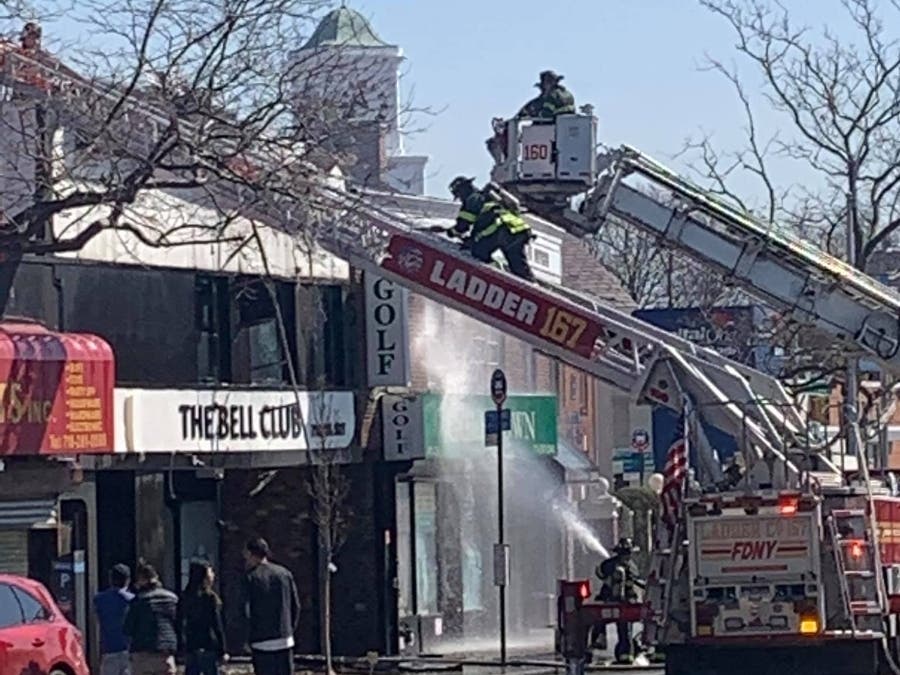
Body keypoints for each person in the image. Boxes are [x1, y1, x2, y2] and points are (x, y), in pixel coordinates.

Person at [447, 176, 536, 282]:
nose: (460, 198)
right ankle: (531, 284)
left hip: (502, 232)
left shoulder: (472, 200)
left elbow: (462, 226)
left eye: (459, 195)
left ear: (462, 190)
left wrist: (451, 232)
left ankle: (496, 275)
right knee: (518, 267)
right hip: (516, 230)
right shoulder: (487, 197)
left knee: (479, 252)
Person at [242, 537, 301, 675]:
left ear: (252, 554)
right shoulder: (284, 574)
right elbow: (296, 605)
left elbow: (246, 611)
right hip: (284, 638)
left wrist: (246, 638)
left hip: (260, 641)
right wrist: (289, 629)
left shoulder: (250, 578)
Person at [124, 560, 179, 675]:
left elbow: (127, 628)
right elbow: (179, 624)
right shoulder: (172, 599)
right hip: (166, 653)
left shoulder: (138, 601)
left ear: (141, 580)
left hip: (142, 653)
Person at [596, 538, 644, 664]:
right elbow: (634, 583)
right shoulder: (631, 566)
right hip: (624, 603)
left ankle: (599, 642)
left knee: (600, 622)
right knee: (625, 629)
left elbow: (599, 573)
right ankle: (625, 654)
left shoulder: (609, 564)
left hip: (609, 601)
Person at [180, 560, 226, 675]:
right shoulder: (210, 597)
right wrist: (223, 649)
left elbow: (180, 622)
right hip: (209, 645)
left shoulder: (185, 596)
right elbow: (216, 624)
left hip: (191, 646)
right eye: (210, 572)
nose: (213, 575)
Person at [94, 563, 135, 675]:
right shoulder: (133, 600)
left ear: (110, 579)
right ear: (128, 580)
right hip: (130, 650)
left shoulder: (99, 599)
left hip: (108, 650)